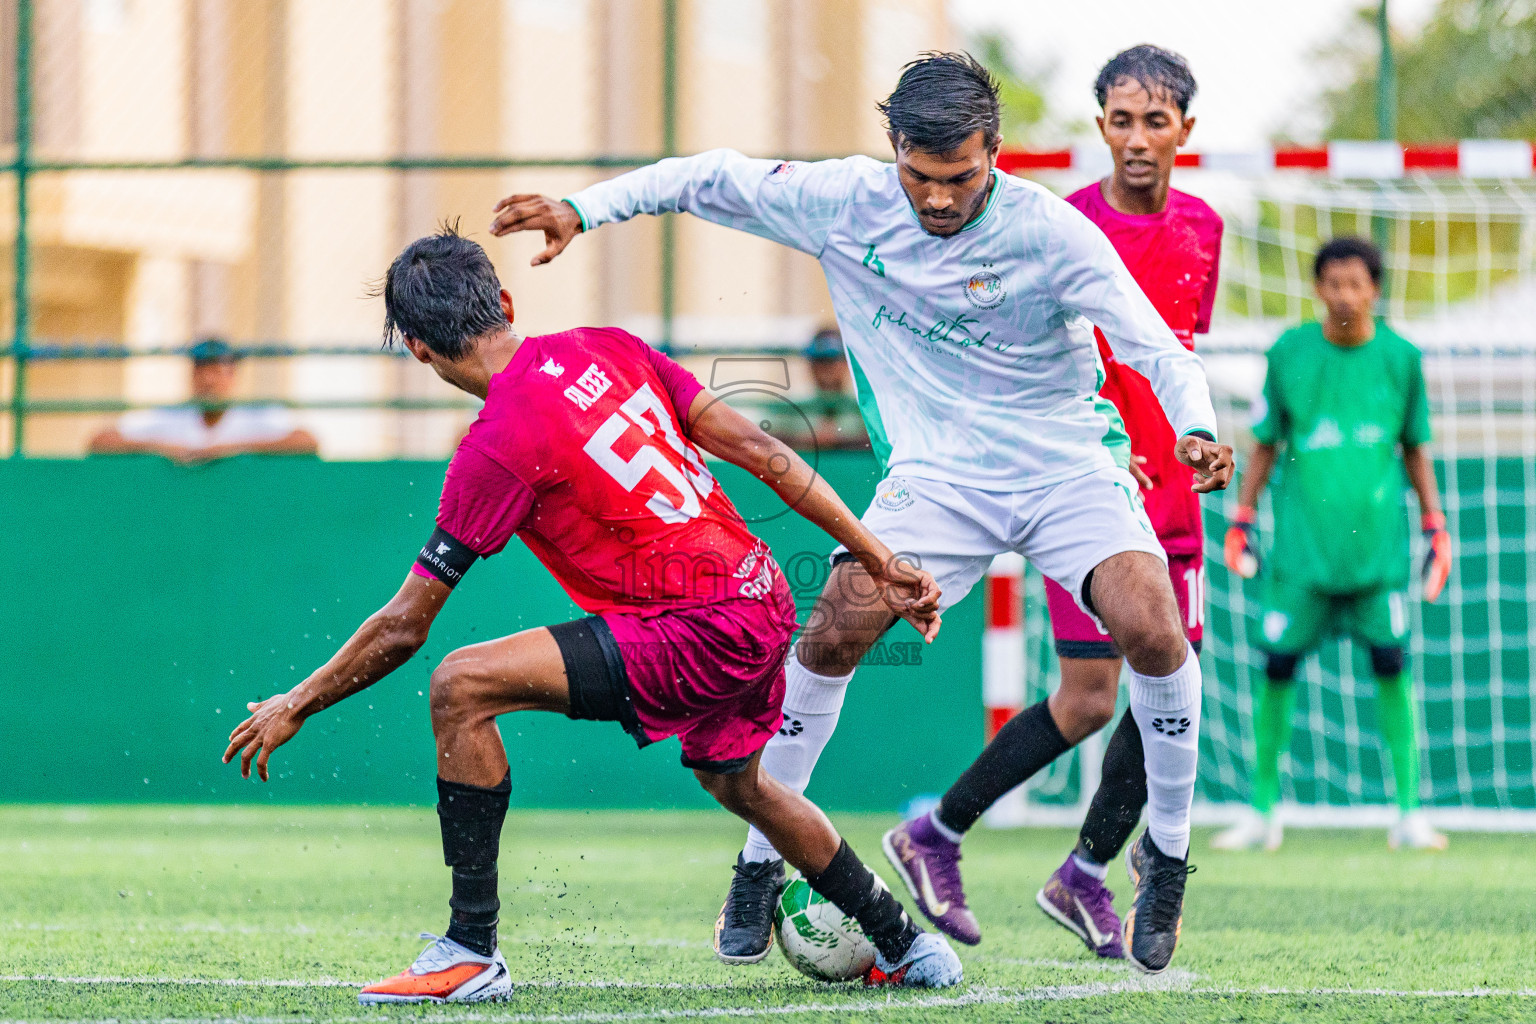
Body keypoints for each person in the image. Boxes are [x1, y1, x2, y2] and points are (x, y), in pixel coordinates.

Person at [489, 51, 1234, 976]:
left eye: (961, 178)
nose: (939, 199)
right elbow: (709, 177)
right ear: (894, 153)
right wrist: (585, 208)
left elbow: (1159, 351)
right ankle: (761, 862)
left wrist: (1196, 429)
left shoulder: (1053, 232)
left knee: (1155, 631)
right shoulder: (845, 202)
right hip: (937, 480)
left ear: (994, 154)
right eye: (921, 178)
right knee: (830, 637)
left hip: (1064, 466)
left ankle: (1163, 854)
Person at [220, 228, 964, 1002]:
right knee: (744, 786)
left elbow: (407, 624)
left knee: (460, 686)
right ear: (505, 301)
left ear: (416, 349)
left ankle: (470, 950)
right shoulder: (609, 346)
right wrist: (878, 555)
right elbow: (754, 444)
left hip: (703, 625)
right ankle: (907, 945)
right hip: (762, 597)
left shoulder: (495, 443)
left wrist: (297, 701)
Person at [883, 45, 1224, 963]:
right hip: (1090, 491)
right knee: (1087, 698)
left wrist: (1189, 441)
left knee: (1159, 679)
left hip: (1175, 501)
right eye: (1121, 120)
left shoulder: (1205, 227)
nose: (1138, 139)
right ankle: (969, 840)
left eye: (1157, 121)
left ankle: (1074, 867)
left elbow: (1169, 354)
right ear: (1100, 124)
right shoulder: (1060, 222)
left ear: (1187, 130)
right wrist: (1109, 461)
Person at [1214, 236, 1453, 853]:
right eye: (1334, 283)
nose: (1345, 295)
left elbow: (1415, 447)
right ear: (1317, 288)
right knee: (1277, 669)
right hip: (1300, 558)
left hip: (1378, 559)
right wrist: (1241, 517)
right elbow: (1264, 442)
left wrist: (1436, 526)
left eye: (1357, 283)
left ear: (1375, 290)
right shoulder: (1289, 353)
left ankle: (1408, 813)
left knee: (1393, 668)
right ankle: (1263, 812)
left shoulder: (1402, 358)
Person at [88, 338, 318, 462]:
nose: (208, 380)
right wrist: (164, 447)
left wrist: (225, 450)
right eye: (200, 371)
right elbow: (100, 441)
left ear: (232, 377)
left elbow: (306, 441)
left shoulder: (256, 415)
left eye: (217, 371)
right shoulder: (170, 416)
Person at [797, 327, 868, 451]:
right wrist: (805, 440)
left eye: (832, 359)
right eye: (820, 360)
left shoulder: (862, 407)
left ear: (846, 363)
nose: (826, 367)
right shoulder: (793, 409)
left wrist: (840, 439)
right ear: (810, 364)